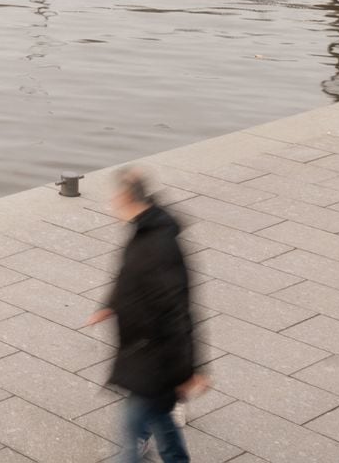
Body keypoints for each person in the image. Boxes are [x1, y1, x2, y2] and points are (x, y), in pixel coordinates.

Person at [89, 168, 206, 463]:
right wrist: (110, 304)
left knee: (135, 422)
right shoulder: (145, 229)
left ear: (128, 197)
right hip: (144, 352)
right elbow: (128, 276)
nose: (112, 203)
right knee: (157, 417)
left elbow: (179, 310)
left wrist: (191, 369)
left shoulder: (159, 246)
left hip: (156, 357)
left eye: (116, 197)